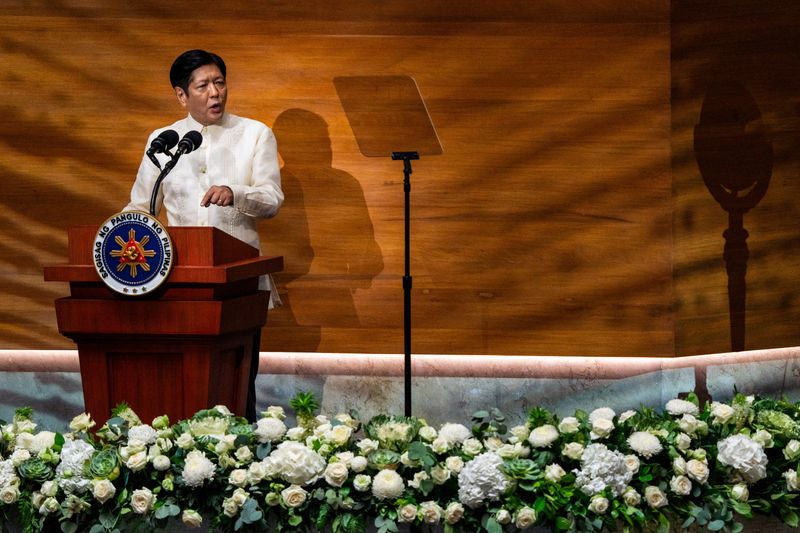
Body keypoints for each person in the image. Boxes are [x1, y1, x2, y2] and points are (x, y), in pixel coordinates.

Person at [124, 49, 283, 421]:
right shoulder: (162, 140)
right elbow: (139, 209)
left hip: (237, 282)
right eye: (203, 86)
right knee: (180, 384)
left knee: (236, 384)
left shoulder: (255, 134)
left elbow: (272, 199)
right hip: (178, 282)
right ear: (182, 95)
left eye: (220, 82)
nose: (215, 93)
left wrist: (236, 193)